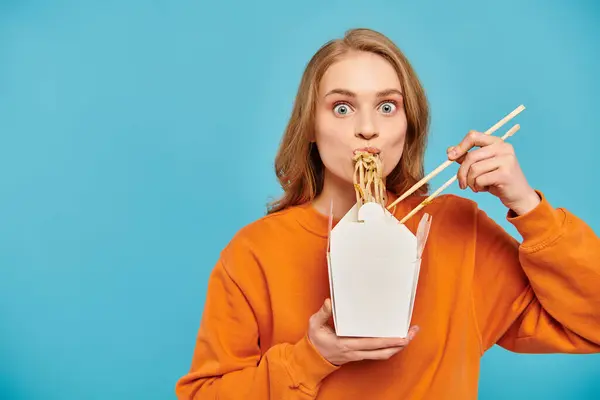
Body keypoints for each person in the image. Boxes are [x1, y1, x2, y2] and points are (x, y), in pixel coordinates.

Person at [175, 28, 600, 399]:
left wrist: (527, 206)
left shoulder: (457, 230)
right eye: (342, 107)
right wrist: (312, 358)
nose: (367, 128)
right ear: (309, 126)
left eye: (386, 106)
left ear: (408, 124)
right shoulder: (256, 252)